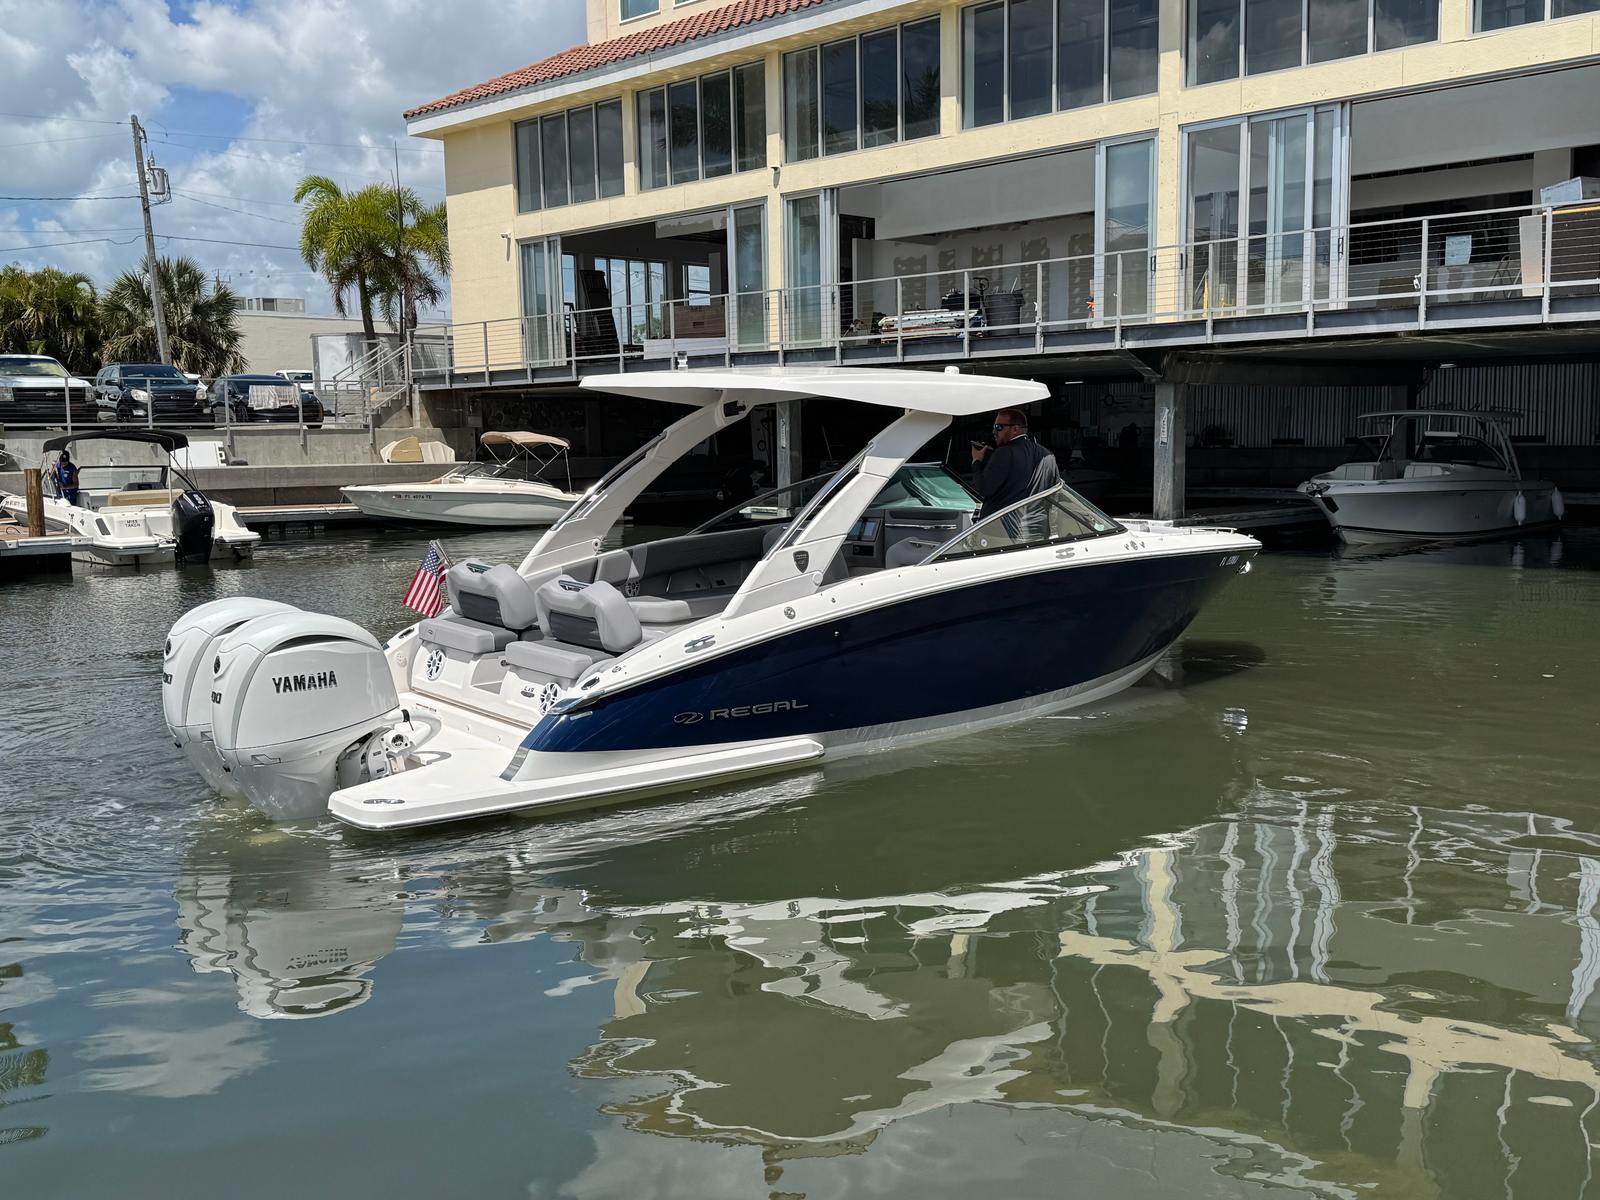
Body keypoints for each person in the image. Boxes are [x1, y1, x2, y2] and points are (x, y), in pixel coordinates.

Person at [970, 408, 1059, 521]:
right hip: (1038, 525)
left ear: (1015, 429)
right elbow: (1055, 495)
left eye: (998, 427)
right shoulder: (1048, 456)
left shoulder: (1005, 452)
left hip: (1004, 526)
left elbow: (984, 488)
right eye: (994, 427)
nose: (994, 432)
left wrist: (976, 461)